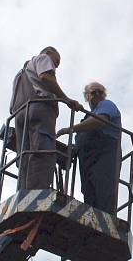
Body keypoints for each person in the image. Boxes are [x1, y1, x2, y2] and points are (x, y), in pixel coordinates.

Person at [10, 46, 83, 190]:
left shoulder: (19, 75)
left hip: (19, 115)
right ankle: (38, 190)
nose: (55, 66)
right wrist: (66, 99)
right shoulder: (43, 58)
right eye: (56, 62)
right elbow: (45, 76)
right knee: (42, 150)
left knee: (24, 154)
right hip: (39, 109)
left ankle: (23, 190)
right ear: (49, 53)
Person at [57, 82, 122, 213]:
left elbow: (100, 121)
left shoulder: (107, 105)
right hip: (87, 165)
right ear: (87, 96)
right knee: (89, 195)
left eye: (100, 92)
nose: (98, 94)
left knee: (104, 191)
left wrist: (70, 129)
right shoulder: (85, 120)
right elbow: (80, 144)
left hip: (105, 159)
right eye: (93, 92)